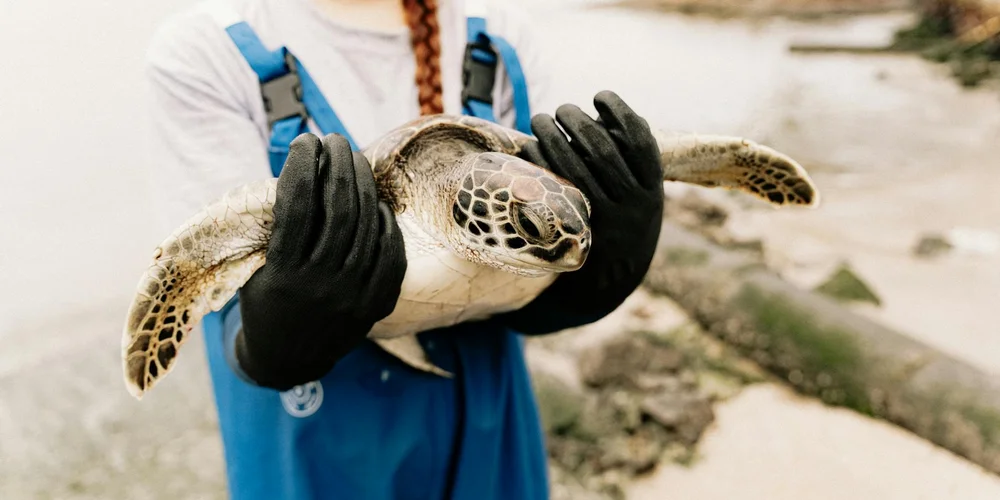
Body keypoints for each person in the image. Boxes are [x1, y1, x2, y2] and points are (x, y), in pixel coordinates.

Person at [144, 0, 664, 498]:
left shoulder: (498, 32)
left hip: (487, 434)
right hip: (317, 454)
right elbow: (204, 265)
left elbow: (548, 220)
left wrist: (602, 269)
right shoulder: (213, 46)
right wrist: (273, 332)